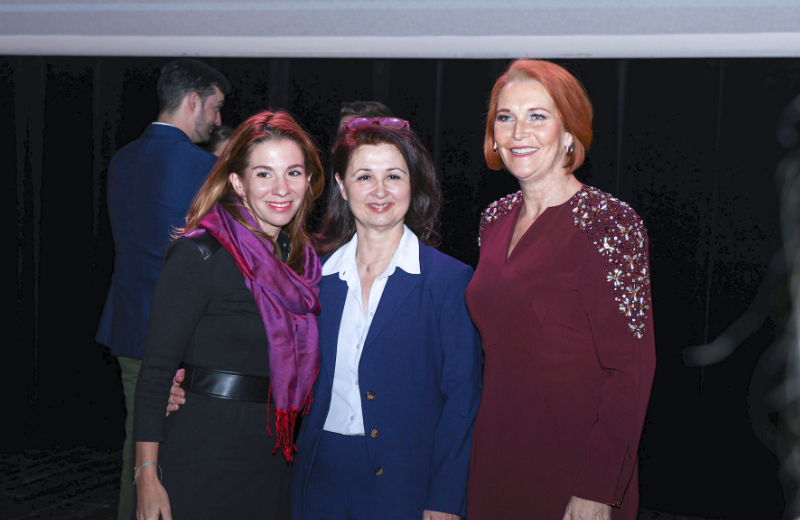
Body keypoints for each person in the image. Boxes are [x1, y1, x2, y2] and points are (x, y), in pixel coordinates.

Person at [464, 59, 656, 520]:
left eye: (537, 116)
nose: (519, 132)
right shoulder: (494, 219)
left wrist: (599, 486)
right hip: (493, 455)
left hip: (575, 467)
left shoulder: (610, 223)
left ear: (569, 132)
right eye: (506, 117)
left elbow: (631, 369)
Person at [132, 110, 325, 520]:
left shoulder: (305, 265)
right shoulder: (199, 254)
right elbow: (156, 373)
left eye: (293, 172)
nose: (281, 188)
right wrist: (146, 475)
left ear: (308, 181)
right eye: (264, 174)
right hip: (203, 453)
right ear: (238, 182)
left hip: (274, 458)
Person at [289, 117, 482, 520]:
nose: (380, 191)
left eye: (394, 176)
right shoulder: (314, 279)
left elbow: (462, 401)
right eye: (364, 177)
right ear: (342, 186)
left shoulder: (449, 280)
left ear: (413, 184)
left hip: (407, 484)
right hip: (319, 478)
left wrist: (445, 500)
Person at [94, 57, 230, 520]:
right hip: (185, 334)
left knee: (139, 446)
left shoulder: (122, 158)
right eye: (214, 107)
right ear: (193, 101)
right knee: (174, 453)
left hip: (129, 323)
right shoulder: (204, 167)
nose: (217, 119)